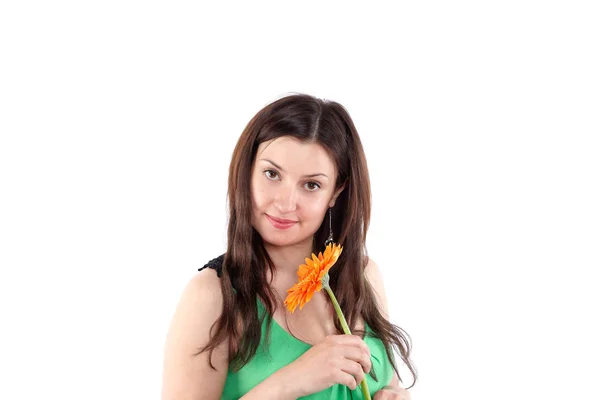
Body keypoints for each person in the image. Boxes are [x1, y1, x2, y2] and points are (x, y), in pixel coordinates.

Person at [161, 93, 417, 399]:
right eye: (272, 174)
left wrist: (394, 393)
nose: (285, 203)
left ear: (336, 192)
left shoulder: (363, 274)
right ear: (247, 172)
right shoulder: (212, 296)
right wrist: (292, 380)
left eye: (311, 185)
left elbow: (386, 384)